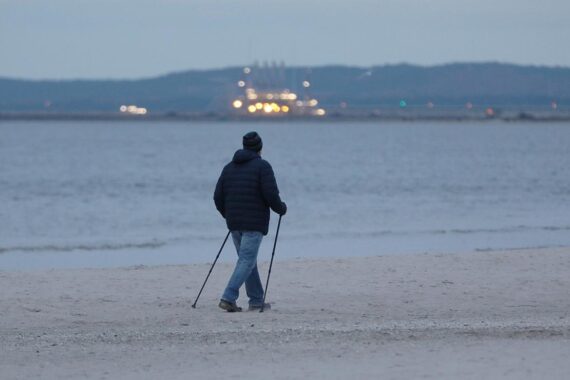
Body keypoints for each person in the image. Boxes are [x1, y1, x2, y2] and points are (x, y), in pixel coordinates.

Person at [213, 131, 287, 312]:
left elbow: (217, 197)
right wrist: (281, 208)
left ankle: (255, 300)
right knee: (246, 260)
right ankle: (228, 297)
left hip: (235, 223)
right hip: (253, 224)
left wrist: (228, 215)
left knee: (247, 261)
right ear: (260, 148)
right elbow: (271, 194)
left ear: (245, 146)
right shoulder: (263, 167)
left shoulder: (229, 167)